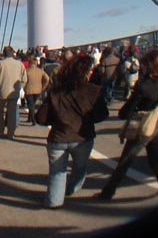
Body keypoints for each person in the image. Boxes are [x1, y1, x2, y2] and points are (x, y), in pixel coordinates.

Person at [96, 49, 158, 200]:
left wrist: (123, 114)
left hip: (144, 123)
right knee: (156, 157)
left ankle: (108, 192)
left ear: (150, 65)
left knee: (126, 159)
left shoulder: (145, 84)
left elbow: (131, 106)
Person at [36, 54, 108, 208]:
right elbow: (102, 114)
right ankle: (72, 189)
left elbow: (41, 118)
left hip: (58, 137)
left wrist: (56, 118)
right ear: (87, 72)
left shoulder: (56, 91)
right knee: (80, 168)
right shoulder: (94, 91)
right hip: (83, 137)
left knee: (57, 174)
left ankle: (54, 202)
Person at [0, 46, 27, 139]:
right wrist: (19, 88)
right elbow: (24, 79)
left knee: (0, 112)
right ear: (12, 53)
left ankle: (0, 130)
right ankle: (11, 133)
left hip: (1, 92)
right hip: (14, 93)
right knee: (12, 113)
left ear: (4, 53)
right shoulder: (20, 64)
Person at [24, 56, 50, 126]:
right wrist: (43, 87)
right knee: (32, 104)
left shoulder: (26, 71)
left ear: (30, 63)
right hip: (38, 90)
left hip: (28, 90)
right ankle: (30, 118)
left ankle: (33, 120)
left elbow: (23, 81)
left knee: (31, 105)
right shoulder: (40, 71)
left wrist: (23, 88)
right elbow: (47, 78)